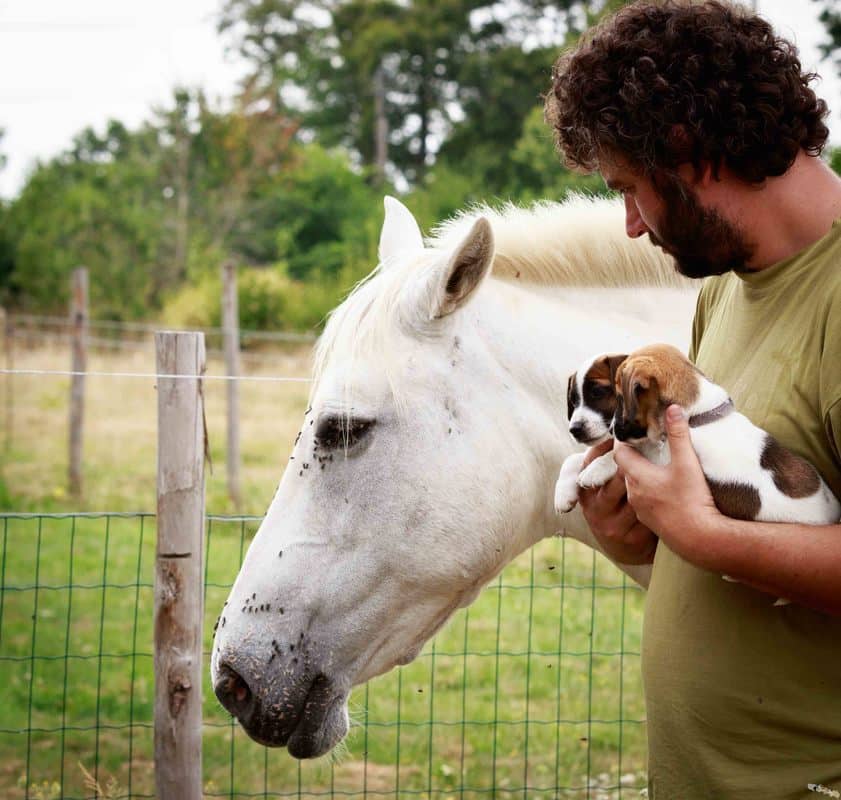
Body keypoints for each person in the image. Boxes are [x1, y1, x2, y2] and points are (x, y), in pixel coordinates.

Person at [544, 1, 841, 798]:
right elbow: (737, 528)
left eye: (630, 189)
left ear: (686, 147)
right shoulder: (728, 294)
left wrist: (703, 537)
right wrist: (644, 538)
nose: (632, 225)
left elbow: (718, 538)